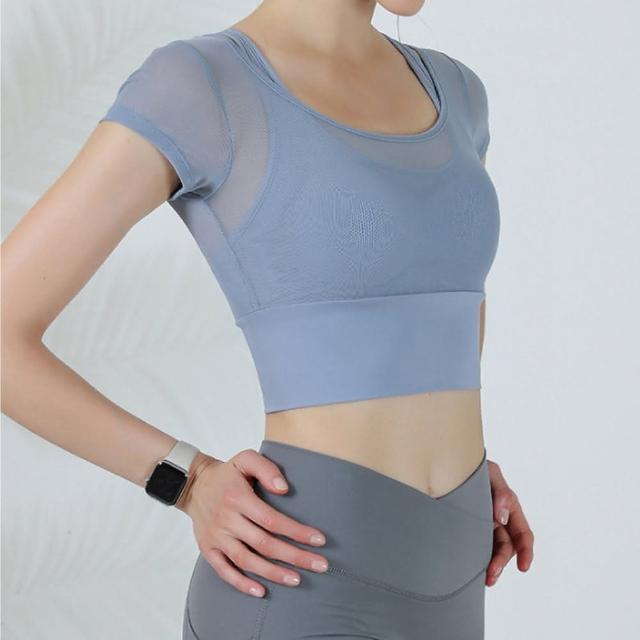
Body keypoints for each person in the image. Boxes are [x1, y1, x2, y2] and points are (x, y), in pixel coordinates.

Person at [1, 1, 534, 638]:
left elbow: (446, 300)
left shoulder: (458, 94)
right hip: (297, 574)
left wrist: (460, 469)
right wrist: (187, 480)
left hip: (456, 567)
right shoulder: (201, 84)